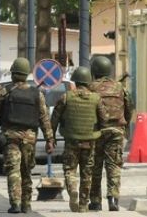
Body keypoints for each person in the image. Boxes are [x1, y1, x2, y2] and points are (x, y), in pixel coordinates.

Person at [0, 57, 55, 214]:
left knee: (13, 170)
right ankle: (26, 204)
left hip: (10, 138)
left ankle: (15, 203)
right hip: (29, 138)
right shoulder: (36, 94)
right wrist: (49, 140)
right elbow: (44, 119)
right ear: (26, 74)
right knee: (26, 171)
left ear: (13, 74)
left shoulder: (5, 92)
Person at [50, 66, 106, 212]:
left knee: (69, 169)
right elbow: (104, 120)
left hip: (71, 140)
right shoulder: (96, 98)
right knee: (87, 172)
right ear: (88, 81)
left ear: (75, 81)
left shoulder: (66, 97)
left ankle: (73, 188)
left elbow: (54, 119)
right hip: (89, 141)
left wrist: (51, 138)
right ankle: (83, 205)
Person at [88, 56, 134, 211]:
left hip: (96, 131)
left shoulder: (90, 87)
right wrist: (125, 125)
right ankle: (113, 199)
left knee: (95, 166)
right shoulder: (119, 87)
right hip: (116, 131)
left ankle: (95, 201)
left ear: (94, 71)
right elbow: (129, 107)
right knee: (113, 165)